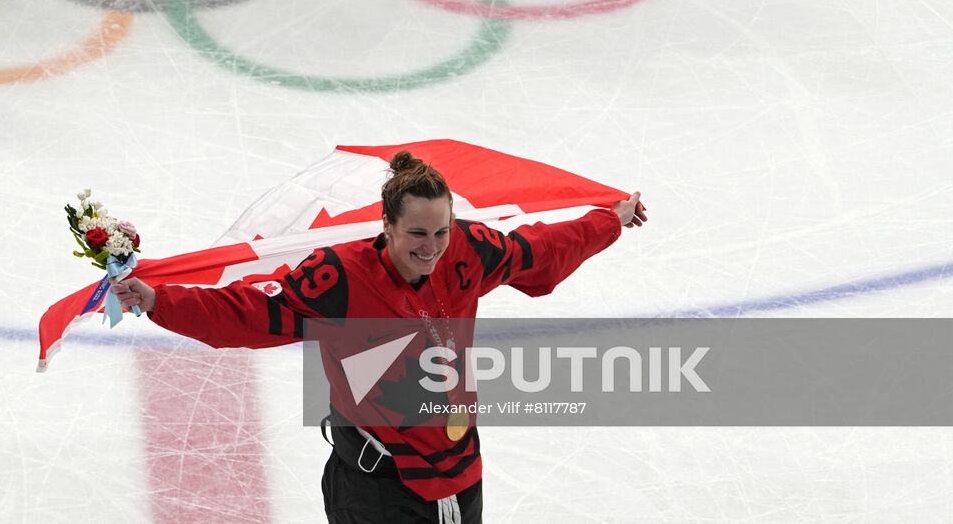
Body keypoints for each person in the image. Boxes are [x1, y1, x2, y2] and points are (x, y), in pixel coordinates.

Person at [113, 151, 645, 524]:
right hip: (376, 490)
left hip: (460, 468)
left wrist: (609, 220)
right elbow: (250, 313)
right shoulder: (338, 279)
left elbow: (543, 249)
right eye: (417, 233)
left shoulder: (470, 248)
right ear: (386, 226)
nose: (432, 246)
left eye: (441, 231)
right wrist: (160, 300)